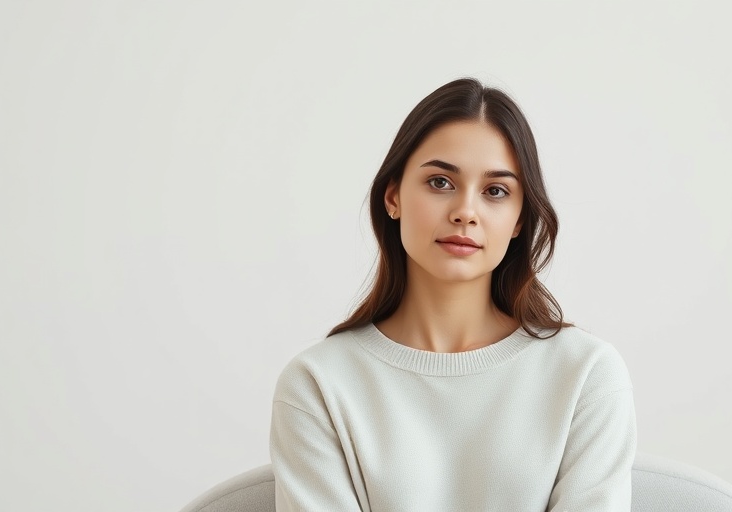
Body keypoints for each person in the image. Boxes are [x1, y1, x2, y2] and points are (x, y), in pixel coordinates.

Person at [269, 78, 636, 511]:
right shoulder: (319, 385)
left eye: (495, 191)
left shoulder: (585, 376)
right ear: (393, 196)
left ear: (519, 220)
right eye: (440, 182)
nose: (465, 211)